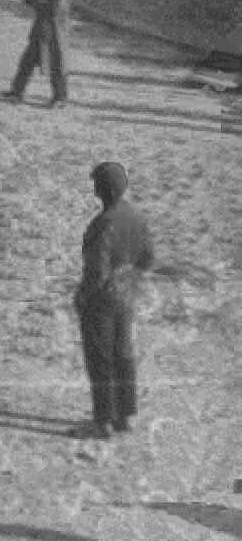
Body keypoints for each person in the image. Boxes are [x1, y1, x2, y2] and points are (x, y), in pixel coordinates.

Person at [75, 161, 155, 440]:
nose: (94, 187)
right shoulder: (136, 217)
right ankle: (126, 415)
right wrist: (128, 278)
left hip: (102, 299)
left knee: (101, 358)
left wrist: (85, 297)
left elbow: (97, 269)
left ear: (105, 188)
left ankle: (104, 421)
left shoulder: (103, 223)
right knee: (123, 355)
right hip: (126, 295)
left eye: (97, 183)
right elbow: (148, 259)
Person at [2, 0, 70, 107]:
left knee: (57, 65)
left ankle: (60, 98)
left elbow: (54, 10)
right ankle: (17, 91)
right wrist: (31, 0)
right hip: (42, 30)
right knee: (27, 61)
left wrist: (35, 0)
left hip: (55, 32)